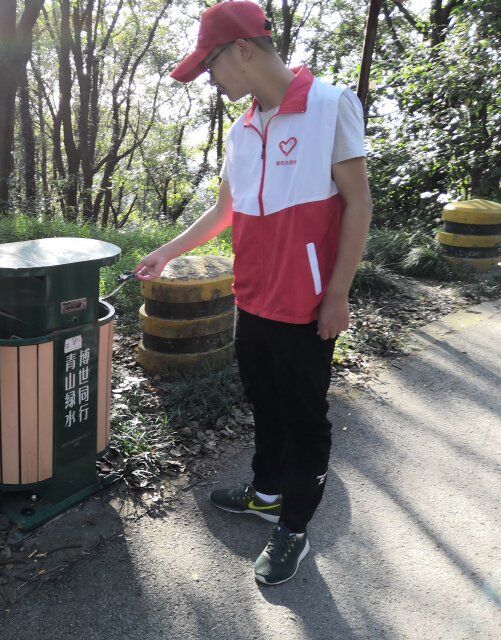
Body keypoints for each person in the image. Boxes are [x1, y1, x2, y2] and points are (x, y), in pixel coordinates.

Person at [135, 0, 372, 586]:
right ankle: (266, 493)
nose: (211, 80)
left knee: (304, 418)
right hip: (252, 299)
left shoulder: (331, 104)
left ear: (241, 50)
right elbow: (226, 209)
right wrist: (168, 251)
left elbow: (358, 204)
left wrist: (337, 294)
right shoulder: (242, 130)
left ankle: (294, 526)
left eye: (210, 67)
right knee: (264, 402)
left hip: (306, 305)